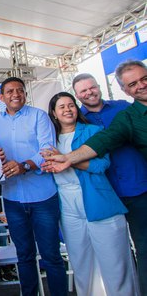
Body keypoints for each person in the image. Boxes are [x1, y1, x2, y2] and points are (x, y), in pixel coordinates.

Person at [42, 92, 139, 296]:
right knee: (82, 266)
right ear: (54, 113)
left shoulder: (93, 130)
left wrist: (67, 159)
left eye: (71, 105)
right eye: (62, 107)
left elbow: (102, 164)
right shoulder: (48, 139)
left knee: (115, 266)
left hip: (99, 203)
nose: (68, 110)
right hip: (67, 208)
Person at [0, 77, 67, 296]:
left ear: (25, 94)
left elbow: (48, 150)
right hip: (13, 199)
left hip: (43, 197)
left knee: (51, 255)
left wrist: (25, 165)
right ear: (1, 97)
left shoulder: (39, 116)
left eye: (20, 91)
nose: (15, 94)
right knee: (24, 256)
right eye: (10, 91)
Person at [73, 73, 147, 295]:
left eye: (92, 87)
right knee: (117, 255)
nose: (89, 93)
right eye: (83, 91)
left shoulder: (125, 108)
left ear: (99, 87)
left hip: (137, 187)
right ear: (77, 96)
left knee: (143, 247)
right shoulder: (78, 121)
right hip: (105, 195)